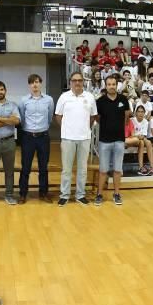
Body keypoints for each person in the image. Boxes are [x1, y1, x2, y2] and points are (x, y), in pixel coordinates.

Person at [55, 71, 98, 206]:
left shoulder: (90, 97)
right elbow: (58, 116)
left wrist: (85, 128)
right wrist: (67, 129)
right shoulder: (64, 97)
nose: (77, 82)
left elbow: (92, 117)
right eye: (74, 80)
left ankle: (80, 195)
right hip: (68, 138)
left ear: (83, 82)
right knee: (66, 169)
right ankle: (65, 195)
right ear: (70, 82)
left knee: (82, 169)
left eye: (80, 80)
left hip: (84, 138)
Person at [18, 74, 55, 204]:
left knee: (43, 167)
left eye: (37, 82)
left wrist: (43, 128)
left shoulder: (49, 100)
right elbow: (22, 117)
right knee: (25, 167)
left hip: (43, 137)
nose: (35, 85)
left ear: (41, 84)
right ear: (29, 85)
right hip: (28, 137)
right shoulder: (23, 100)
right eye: (32, 83)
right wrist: (28, 129)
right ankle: (22, 194)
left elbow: (50, 117)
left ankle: (43, 193)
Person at [94, 74, 130, 206]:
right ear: (106, 85)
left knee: (117, 169)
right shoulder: (100, 101)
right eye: (109, 84)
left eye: (113, 84)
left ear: (117, 85)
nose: (111, 87)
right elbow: (97, 118)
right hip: (104, 141)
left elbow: (126, 117)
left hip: (119, 140)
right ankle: (99, 194)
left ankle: (116, 194)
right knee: (103, 169)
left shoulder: (123, 99)